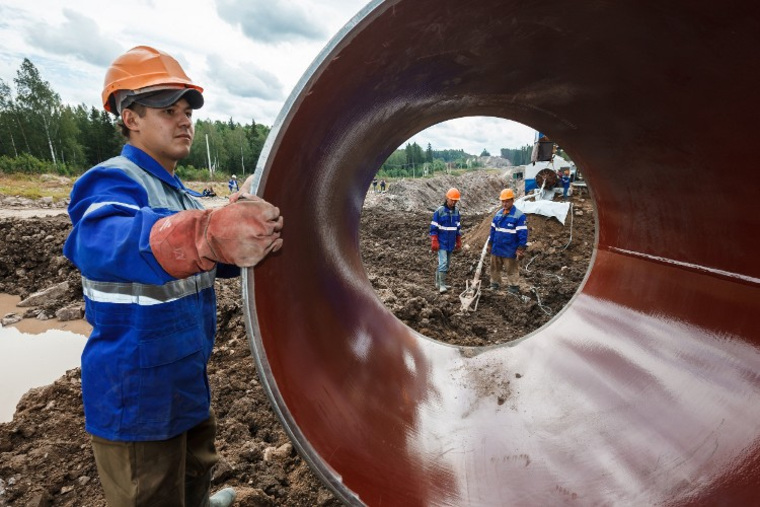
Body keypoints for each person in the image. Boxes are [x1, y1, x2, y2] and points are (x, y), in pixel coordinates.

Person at [63, 45, 284, 507]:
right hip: (136, 397)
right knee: (153, 494)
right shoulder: (112, 181)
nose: (184, 120)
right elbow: (102, 243)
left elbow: (211, 256)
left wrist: (244, 234)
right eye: (168, 110)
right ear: (130, 117)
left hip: (185, 382)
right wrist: (206, 232)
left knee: (194, 478)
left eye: (187, 110)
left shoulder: (180, 195)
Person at [488, 188, 528, 295]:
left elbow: (522, 233)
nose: (504, 204)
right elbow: (492, 230)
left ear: (512, 201)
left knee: (512, 269)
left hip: (510, 249)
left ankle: (513, 287)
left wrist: (520, 248)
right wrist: (490, 243)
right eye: (503, 201)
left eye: (507, 201)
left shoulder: (519, 216)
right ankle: (494, 284)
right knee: (494, 268)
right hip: (497, 248)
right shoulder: (498, 215)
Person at [429, 187, 462, 293]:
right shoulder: (440, 211)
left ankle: (438, 282)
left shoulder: (456, 212)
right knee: (443, 263)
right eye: (452, 200)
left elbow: (457, 228)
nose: (454, 202)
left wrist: (458, 240)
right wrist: (434, 240)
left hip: (451, 243)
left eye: (455, 200)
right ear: (447, 198)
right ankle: (441, 285)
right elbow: (434, 227)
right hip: (442, 242)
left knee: (446, 264)